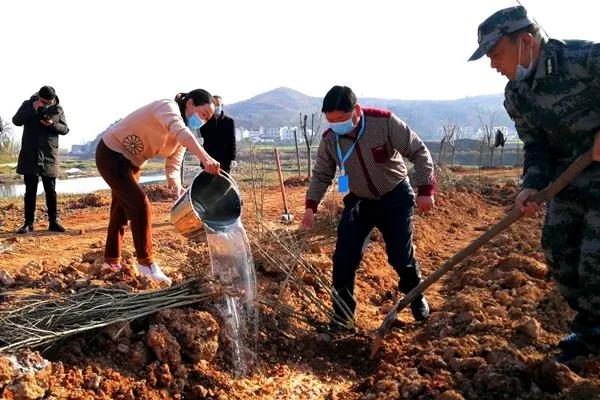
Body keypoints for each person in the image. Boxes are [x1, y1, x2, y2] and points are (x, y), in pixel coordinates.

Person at [469, 5, 600, 362]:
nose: (493, 65)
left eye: (496, 54)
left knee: (595, 255)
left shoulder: (583, 59)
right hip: (568, 179)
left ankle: (594, 335)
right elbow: (536, 146)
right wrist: (531, 185)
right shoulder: (516, 95)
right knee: (558, 250)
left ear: (525, 41)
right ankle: (591, 328)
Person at [301, 85, 435, 330]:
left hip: (395, 196)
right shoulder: (331, 139)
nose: (336, 125)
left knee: (400, 256)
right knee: (343, 259)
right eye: (331, 121)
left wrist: (425, 189)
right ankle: (342, 315)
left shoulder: (382, 123)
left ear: (357, 110)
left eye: (341, 120)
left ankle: (416, 295)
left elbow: (418, 151)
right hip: (359, 202)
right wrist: (311, 205)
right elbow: (322, 174)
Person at [95, 89, 220, 286]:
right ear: (190, 104)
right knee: (140, 205)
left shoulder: (183, 136)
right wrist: (205, 158)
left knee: (120, 212)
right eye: (203, 114)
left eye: (207, 118)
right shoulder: (167, 107)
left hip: (132, 164)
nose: (203, 120)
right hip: (111, 153)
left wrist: (176, 186)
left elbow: (174, 164)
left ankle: (111, 262)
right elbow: (181, 132)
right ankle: (147, 265)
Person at [12, 85, 69, 234]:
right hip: (30, 154)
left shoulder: (58, 109)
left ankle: (53, 223)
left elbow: (65, 129)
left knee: (51, 191)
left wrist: (52, 125)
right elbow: (16, 121)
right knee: (30, 190)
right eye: (43, 102)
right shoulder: (28, 104)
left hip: (49, 155)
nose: (46, 105)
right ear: (38, 97)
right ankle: (28, 224)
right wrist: (32, 109)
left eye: (48, 102)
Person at [199, 95, 237, 173]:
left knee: (223, 183)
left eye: (218, 105)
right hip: (208, 159)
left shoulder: (229, 121)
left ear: (222, 105)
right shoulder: (205, 121)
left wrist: (233, 158)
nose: (216, 107)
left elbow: (232, 141)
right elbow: (200, 139)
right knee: (207, 183)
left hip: (224, 160)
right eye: (214, 104)